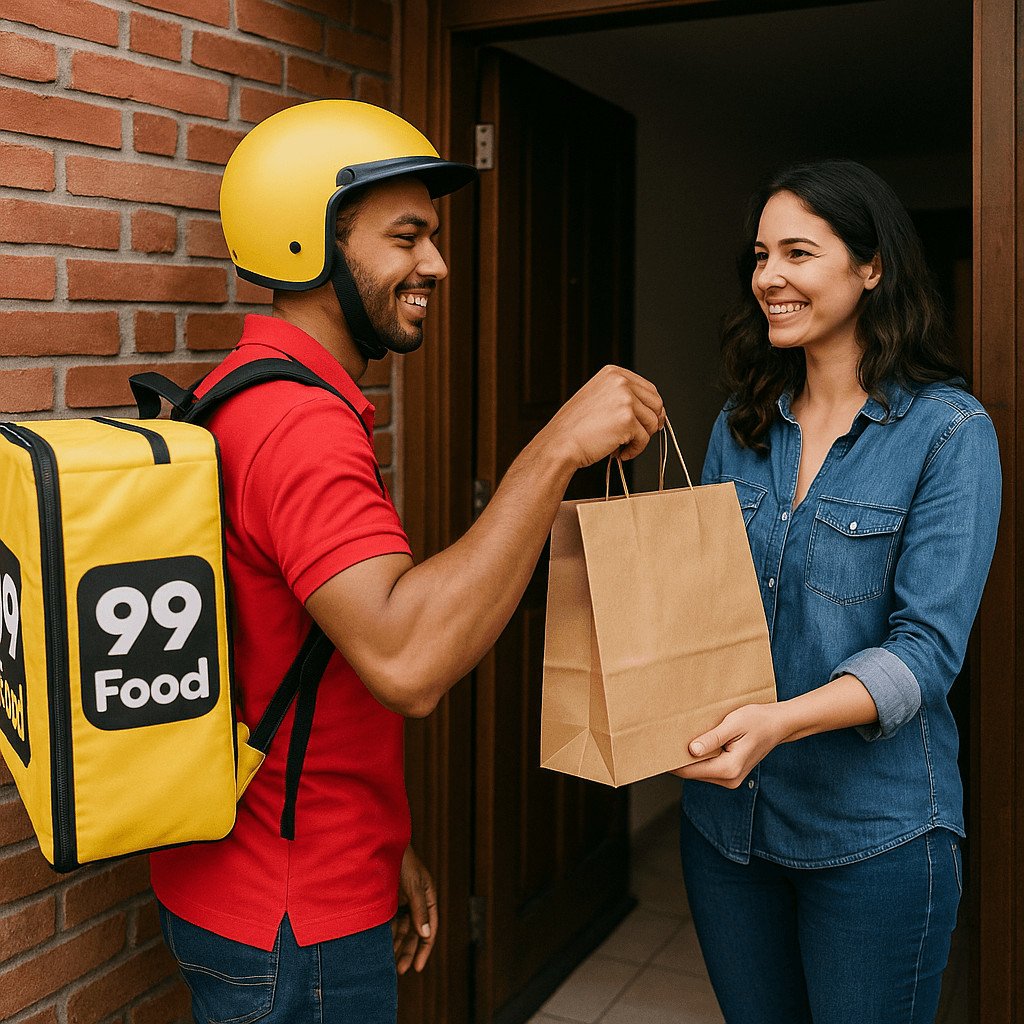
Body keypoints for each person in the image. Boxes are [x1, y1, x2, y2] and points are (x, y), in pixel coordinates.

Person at [148, 100, 664, 1024]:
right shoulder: (300, 425)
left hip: (283, 866)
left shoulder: (253, 389)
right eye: (407, 236)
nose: (436, 264)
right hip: (289, 918)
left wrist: (380, 842)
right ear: (308, 244)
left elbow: (311, 658)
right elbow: (408, 662)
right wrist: (554, 450)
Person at [673, 160, 1000, 1024]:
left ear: (871, 266)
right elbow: (704, 613)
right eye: (759, 255)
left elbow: (926, 651)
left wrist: (779, 722)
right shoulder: (735, 428)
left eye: (798, 253)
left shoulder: (950, 432)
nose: (769, 277)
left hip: (876, 839)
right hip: (726, 830)